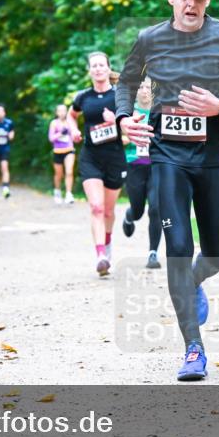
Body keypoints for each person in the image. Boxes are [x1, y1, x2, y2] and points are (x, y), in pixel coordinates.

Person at [116, 0, 219, 381]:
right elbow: (125, 83)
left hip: (215, 155)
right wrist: (124, 118)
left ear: (208, 0)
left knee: (217, 254)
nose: (191, 2)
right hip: (168, 156)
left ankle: (195, 283)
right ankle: (193, 349)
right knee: (178, 249)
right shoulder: (149, 39)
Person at [70, 51, 127, 277]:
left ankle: (108, 241)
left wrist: (116, 121)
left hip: (114, 157)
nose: (98, 69)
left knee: (109, 211)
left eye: (101, 65)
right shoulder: (83, 97)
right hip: (90, 157)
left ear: (107, 67)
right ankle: (100, 255)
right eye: (93, 66)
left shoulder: (120, 96)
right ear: (89, 70)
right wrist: (73, 130)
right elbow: (72, 115)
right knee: (96, 207)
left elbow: (129, 123)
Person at [121, 76, 162, 269]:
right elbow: (117, 138)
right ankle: (130, 215)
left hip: (156, 166)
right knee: (138, 210)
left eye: (149, 87)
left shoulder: (160, 111)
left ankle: (153, 253)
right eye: (142, 87)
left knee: (156, 208)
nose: (145, 90)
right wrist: (128, 138)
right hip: (135, 165)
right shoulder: (128, 113)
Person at [49, 104, 78, 204]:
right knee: (59, 174)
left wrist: (75, 135)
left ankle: (69, 194)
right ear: (57, 113)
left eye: (64, 111)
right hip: (58, 151)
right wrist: (60, 133)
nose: (62, 113)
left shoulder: (70, 122)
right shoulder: (54, 123)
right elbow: (51, 138)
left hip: (69, 150)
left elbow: (75, 135)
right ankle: (57, 192)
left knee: (69, 172)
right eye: (60, 111)